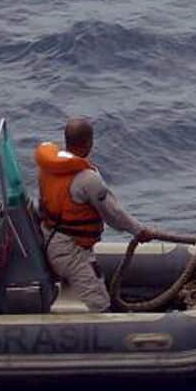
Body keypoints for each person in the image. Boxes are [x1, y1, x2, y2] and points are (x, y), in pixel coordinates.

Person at [35, 117, 159, 312]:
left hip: (51, 239)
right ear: (89, 143)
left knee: (96, 279)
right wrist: (139, 231)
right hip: (70, 252)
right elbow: (113, 215)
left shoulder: (47, 169)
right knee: (100, 304)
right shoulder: (87, 179)